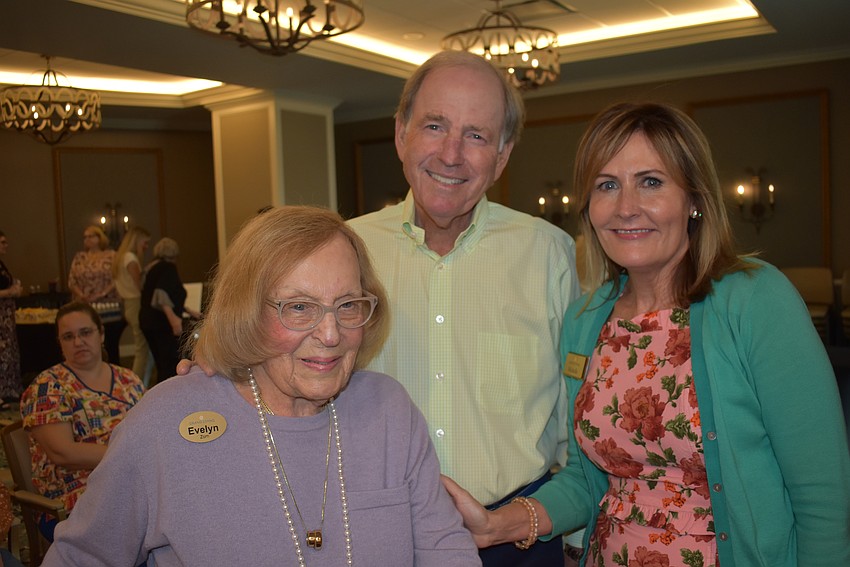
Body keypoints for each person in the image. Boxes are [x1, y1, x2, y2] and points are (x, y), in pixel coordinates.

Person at [442, 102, 850, 566]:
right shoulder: (585, 320)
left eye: (651, 182)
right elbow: (587, 477)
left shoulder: (753, 300)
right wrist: (501, 523)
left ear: (694, 199)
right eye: (607, 185)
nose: (626, 207)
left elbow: (823, 496)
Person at [41, 205, 481, 566]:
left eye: (347, 305)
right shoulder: (165, 423)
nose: (330, 334)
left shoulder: (389, 411)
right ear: (246, 312)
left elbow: (447, 552)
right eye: (298, 307)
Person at [347, 50, 580, 566]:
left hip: (517, 538)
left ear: (502, 155)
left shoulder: (549, 255)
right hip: (374, 533)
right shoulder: (344, 250)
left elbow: (576, 414)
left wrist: (572, 537)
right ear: (400, 134)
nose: (452, 154)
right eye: (435, 125)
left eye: (476, 135)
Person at [20, 301, 145, 542]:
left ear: (101, 334)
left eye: (85, 332)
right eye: (68, 336)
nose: (78, 342)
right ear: (60, 343)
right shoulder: (48, 387)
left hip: (132, 487)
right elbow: (63, 453)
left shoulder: (129, 380)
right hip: (73, 501)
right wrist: (129, 455)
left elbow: (150, 432)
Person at [139, 237, 199, 384]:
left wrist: (187, 310)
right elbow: (161, 295)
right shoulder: (168, 268)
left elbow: (160, 296)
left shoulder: (151, 267)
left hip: (147, 322)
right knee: (169, 364)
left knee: (161, 364)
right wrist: (174, 321)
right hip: (162, 324)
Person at [67, 225, 125, 364]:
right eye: (85, 237)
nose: (87, 239)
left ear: (100, 238)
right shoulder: (80, 257)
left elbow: (118, 279)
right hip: (84, 305)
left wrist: (101, 293)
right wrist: (81, 294)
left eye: (91, 236)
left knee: (110, 345)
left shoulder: (111, 256)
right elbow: (72, 280)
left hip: (108, 306)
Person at [112, 226, 153, 385]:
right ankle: (136, 385)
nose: (146, 246)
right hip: (136, 304)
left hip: (127, 305)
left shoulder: (120, 257)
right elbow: (138, 285)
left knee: (141, 348)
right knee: (142, 350)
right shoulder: (131, 258)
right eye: (145, 242)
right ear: (137, 240)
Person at [0, 230, 23, 406]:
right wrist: (10, 291)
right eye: (2, 242)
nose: (5, 246)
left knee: (8, 353)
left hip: (6, 316)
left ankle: (9, 390)